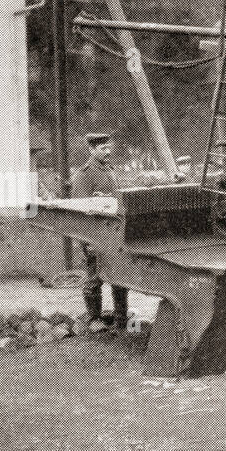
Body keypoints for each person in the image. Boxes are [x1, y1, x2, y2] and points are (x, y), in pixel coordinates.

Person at [71, 133, 128, 331]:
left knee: (120, 275)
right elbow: (81, 211)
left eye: (108, 147)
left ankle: (121, 318)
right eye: (103, 149)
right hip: (96, 236)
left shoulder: (110, 170)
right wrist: (88, 242)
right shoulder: (84, 175)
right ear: (91, 150)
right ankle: (94, 319)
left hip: (115, 233)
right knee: (94, 277)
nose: (108, 151)